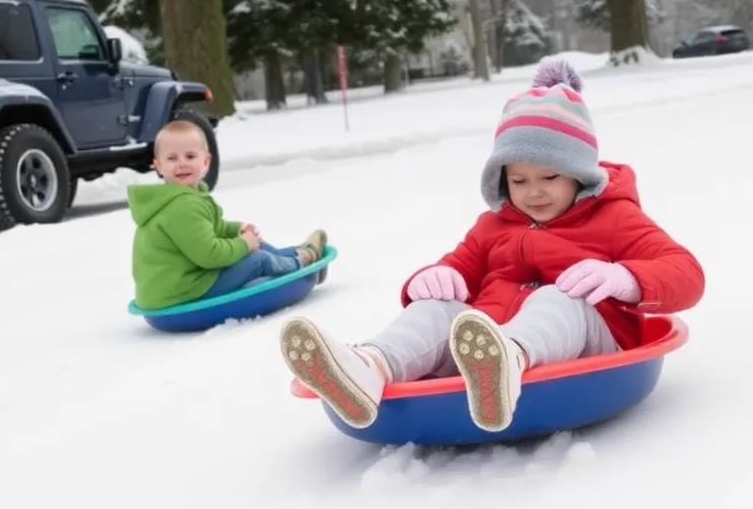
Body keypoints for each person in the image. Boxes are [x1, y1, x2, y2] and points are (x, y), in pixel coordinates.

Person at [279, 59, 705, 433]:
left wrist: (624, 277)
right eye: (519, 181)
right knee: (437, 309)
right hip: (480, 350)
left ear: (579, 173)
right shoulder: (493, 226)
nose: (533, 192)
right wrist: (435, 277)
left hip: (588, 342)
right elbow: (458, 268)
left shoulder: (614, 217)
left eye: (549, 178)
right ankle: (367, 370)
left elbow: (686, 273)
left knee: (559, 297)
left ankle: (509, 363)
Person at [128, 119, 328, 311]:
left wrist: (236, 229)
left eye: (190, 156)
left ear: (205, 161)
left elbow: (212, 230)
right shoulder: (182, 206)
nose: (182, 164)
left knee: (254, 247)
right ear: (159, 166)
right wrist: (244, 244)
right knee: (257, 260)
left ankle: (294, 253)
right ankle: (302, 265)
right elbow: (210, 255)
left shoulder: (185, 196)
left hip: (175, 286)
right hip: (181, 293)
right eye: (172, 158)